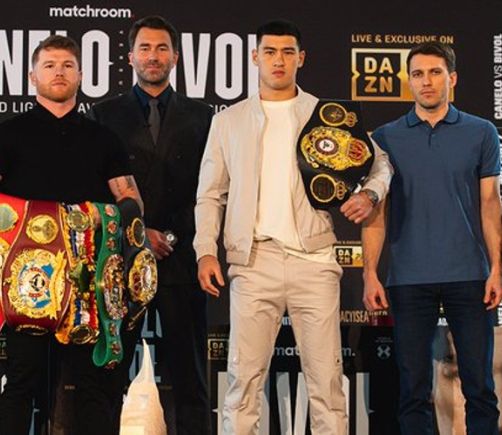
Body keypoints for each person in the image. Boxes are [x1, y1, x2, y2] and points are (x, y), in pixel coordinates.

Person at [194, 19, 392, 434]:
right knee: (242, 383)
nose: (278, 60)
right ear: (255, 57)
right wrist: (205, 251)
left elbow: (380, 164)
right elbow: (210, 194)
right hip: (253, 262)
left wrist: (370, 196)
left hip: (314, 261)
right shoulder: (228, 121)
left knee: (327, 384)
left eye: (287, 52)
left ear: (301, 58)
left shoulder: (326, 114)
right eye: (270, 52)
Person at [0, 35, 142, 435]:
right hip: (26, 283)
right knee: (21, 381)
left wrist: (105, 216)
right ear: (32, 76)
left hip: (87, 281)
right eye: (49, 65)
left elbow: (132, 202)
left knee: (94, 384)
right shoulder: (8, 135)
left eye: (67, 65)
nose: (58, 72)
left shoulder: (103, 138)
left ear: (80, 75)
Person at [362, 42, 502, 434]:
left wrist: (497, 268)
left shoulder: (482, 132)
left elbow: (490, 203)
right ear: (409, 81)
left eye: (435, 72)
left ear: (452, 78)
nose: (426, 81)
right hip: (408, 278)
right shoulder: (385, 138)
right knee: (413, 390)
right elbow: (376, 211)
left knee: (479, 387)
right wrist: (370, 273)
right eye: (418, 74)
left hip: (469, 275)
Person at [89, 16, 213, 434]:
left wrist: (170, 235)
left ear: (175, 57)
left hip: (181, 263)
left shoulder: (203, 117)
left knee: (191, 380)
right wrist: (141, 234)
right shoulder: (103, 115)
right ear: (130, 57)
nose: (153, 56)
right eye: (145, 48)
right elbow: (98, 189)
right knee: (109, 377)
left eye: (162, 48)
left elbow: (210, 189)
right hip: (120, 264)